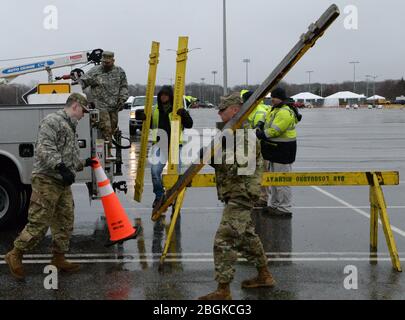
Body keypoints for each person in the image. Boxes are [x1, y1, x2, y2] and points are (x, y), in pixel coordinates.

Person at [4, 93, 97, 280]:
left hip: (61, 183)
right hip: (46, 180)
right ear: (76, 105)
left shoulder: (70, 126)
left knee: (65, 220)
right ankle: (15, 254)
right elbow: (44, 149)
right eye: (83, 111)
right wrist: (61, 167)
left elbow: (68, 158)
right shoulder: (52, 121)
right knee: (39, 222)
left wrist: (84, 162)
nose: (83, 115)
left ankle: (58, 258)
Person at [199, 92, 275, 300]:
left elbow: (239, 165)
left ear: (234, 110)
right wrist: (211, 157)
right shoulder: (232, 132)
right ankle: (264, 275)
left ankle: (223, 290)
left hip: (241, 193)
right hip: (235, 191)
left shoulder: (245, 134)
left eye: (222, 109)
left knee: (224, 239)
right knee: (247, 238)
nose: (219, 112)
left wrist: (211, 156)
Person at [136, 85, 193, 208]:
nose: (163, 97)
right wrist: (142, 117)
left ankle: (173, 197)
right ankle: (159, 196)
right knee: (155, 171)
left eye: (166, 95)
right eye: (162, 95)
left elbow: (189, 125)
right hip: (160, 145)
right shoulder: (154, 110)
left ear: (171, 96)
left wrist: (185, 115)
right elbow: (148, 125)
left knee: (175, 175)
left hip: (175, 146)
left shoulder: (178, 110)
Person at [255, 87, 301, 217]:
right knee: (274, 180)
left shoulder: (284, 112)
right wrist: (260, 124)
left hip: (283, 150)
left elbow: (276, 130)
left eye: (273, 98)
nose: (271, 100)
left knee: (282, 181)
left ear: (279, 97)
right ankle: (274, 205)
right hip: (274, 149)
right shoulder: (275, 109)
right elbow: (266, 117)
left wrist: (261, 134)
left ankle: (284, 208)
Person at [78, 50, 129, 156]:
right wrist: (77, 95)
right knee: (106, 128)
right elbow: (82, 82)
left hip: (114, 107)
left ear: (113, 61)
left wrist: (122, 99)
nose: (105, 64)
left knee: (112, 129)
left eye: (107, 62)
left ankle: (106, 150)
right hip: (100, 106)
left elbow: (123, 87)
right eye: (103, 62)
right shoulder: (95, 71)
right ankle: (107, 153)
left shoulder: (120, 72)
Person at [241, 89, 270, 208]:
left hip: (259, 147)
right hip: (250, 146)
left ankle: (262, 198)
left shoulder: (259, 112)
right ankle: (252, 196)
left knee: (260, 173)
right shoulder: (252, 110)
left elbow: (257, 132)